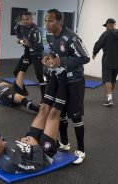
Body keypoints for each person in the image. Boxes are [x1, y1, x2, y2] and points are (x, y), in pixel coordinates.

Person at [0, 62, 67, 173]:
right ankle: (64, 76)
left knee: (43, 109)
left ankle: (55, 73)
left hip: (28, 141)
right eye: (0, 140)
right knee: (53, 114)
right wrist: (35, 145)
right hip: (43, 153)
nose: (3, 139)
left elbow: (9, 145)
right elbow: (36, 165)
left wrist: (21, 141)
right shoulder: (10, 163)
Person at [44, 9, 90, 164]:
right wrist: (49, 58)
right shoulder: (49, 35)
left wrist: (61, 61)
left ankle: (81, 150)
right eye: (45, 20)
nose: (47, 24)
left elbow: (85, 57)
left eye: (50, 21)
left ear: (59, 21)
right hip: (60, 79)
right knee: (61, 113)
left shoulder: (71, 37)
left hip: (75, 80)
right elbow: (53, 53)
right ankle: (64, 143)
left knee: (75, 116)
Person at [13, 11, 46, 100]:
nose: (25, 21)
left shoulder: (36, 30)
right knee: (16, 71)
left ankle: (44, 99)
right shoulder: (21, 26)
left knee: (39, 76)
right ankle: (23, 91)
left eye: (27, 19)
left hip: (37, 54)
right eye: (23, 19)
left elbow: (37, 46)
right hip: (27, 53)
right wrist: (21, 41)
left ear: (31, 19)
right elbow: (17, 32)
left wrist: (28, 44)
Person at [93, 18, 118, 106]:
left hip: (108, 60)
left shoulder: (105, 34)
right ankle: (109, 96)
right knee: (113, 80)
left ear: (108, 25)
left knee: (107, 79)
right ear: (114, 24)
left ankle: (109, 99)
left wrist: (94, 53)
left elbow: (98, 44)